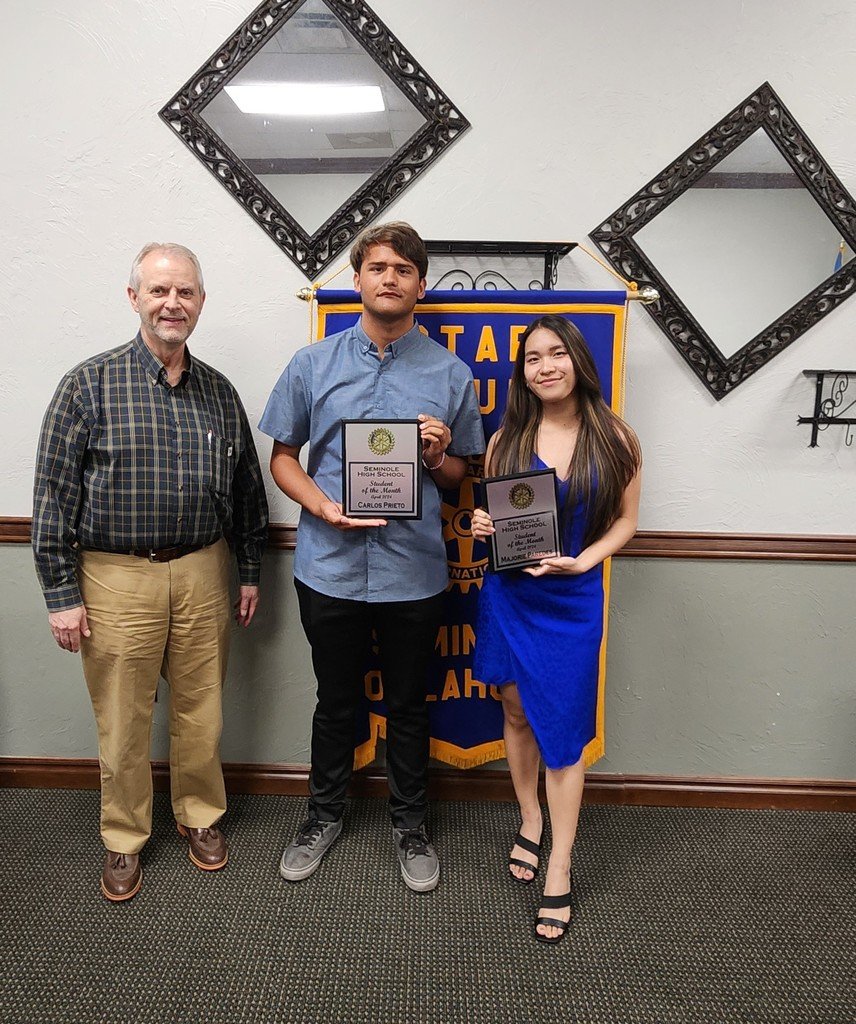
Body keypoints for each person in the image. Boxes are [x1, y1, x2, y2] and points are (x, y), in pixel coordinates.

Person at [32, 242, 269, 902]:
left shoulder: (219, 393)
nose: (173, 303)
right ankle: (124, 838)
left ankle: (200, 817)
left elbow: (248, 492)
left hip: (203, 571)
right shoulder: (87, 385)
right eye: (159, 291)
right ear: (133, 298)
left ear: (200, 302)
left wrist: (249, 571)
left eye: (185, 292)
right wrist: (61, 594)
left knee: (202, 712)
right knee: (124, 720)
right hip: (114, 578)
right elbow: (53, 494)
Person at [259, 221, 485, 892]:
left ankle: (410, 825)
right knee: (335, 701)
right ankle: (323, 816)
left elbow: (456, 480)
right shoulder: (312, 365)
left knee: (411, 705)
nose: (390, 277)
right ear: (356, 280)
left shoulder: (450, 373)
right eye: (378, 266)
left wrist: (441, 456)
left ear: (421, 285)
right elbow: (282, 459)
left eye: (404, 269)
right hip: (328, 565)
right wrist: (325, 508)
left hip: (413, 571)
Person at [470, 315, 641, 943]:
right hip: (511, 595)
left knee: (563, 735)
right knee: (514, 711)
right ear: (522, 372)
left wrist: (586, 559)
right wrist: (481, 527)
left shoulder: (617, 437)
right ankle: (530, 817)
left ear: (578, 361)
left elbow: (626, 522)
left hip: (572, 598)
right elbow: (491, 519)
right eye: (533, 357)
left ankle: (560, 867)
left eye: (557, 353)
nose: (545, 366)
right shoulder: (504, 441)